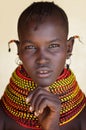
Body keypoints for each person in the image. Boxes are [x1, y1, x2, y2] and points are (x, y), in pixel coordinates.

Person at [0, 1, 86, 130]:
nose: (42, 59)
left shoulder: (83, 116)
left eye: (53, 46)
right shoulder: (3, 116)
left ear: (69, 48)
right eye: (30, 47)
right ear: (19, 50)